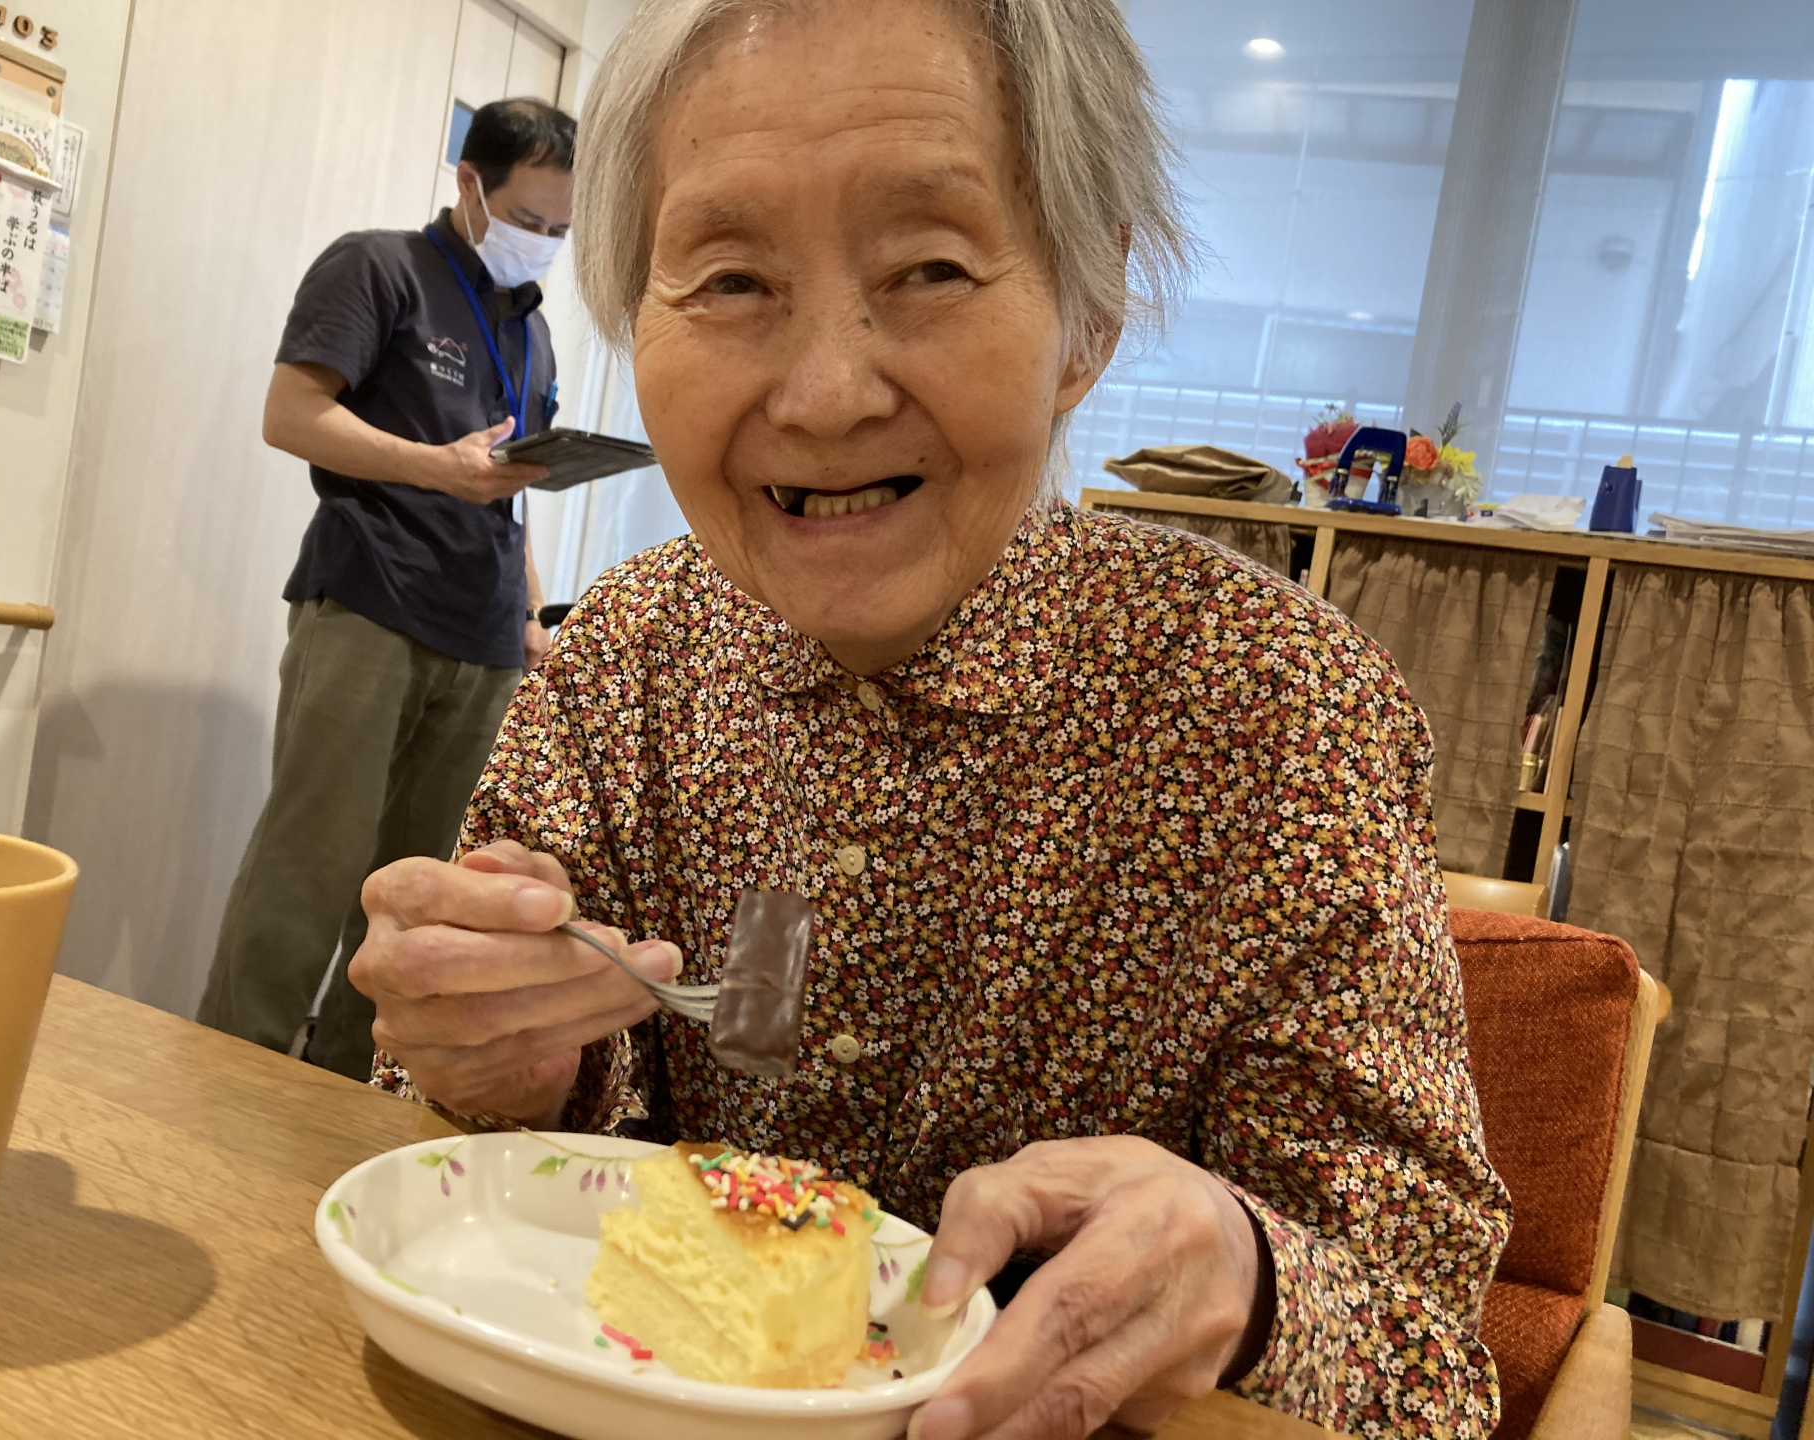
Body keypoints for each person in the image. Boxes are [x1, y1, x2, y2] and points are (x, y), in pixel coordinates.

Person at [347, 5, 1513, 1438]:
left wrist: (1252, 1276)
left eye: (932, 269)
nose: (826, 396)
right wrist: (502, 1060)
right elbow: (445, 1132)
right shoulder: (621, 660)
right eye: (729, 280)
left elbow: (1422, 1347)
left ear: (1088, 316)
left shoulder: (1276, 713)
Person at [195, 99, 576, 1082]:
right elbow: (292, 414)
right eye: (526, 220)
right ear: (468, 183)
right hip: (371, 600)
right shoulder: (378, 267)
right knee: (311, 864)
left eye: (559, 230)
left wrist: (530, 613)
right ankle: (231, 1081)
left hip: (484, 634)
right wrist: (433, 466)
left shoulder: (533, 332)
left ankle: (341, 1099)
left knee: (416, 898)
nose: (541, 242)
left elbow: (509, 488)